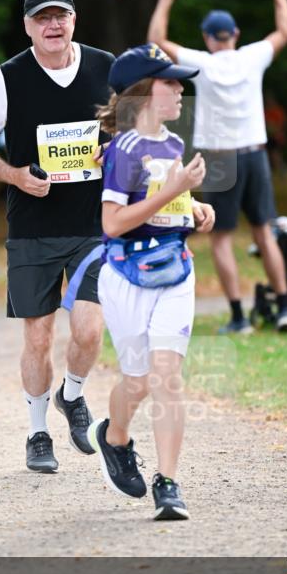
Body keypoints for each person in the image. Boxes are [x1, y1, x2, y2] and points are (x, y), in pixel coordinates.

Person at [0, 0, 113, 474]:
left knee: (90, 330)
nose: (53, 25)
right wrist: (14, 176)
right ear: (28, 26)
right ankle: (37, 432)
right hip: (32, 225)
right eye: (42, 18)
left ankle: (71, 395)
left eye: (62, 16)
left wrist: (113, 154)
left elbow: (131, 134)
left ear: (75, 20)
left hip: (94, 222)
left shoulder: (105, 68)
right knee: (37, 337)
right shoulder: (7, 77)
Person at [83, 44, 214, 520]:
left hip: (175, 271)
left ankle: (169, 483)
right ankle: (114, 436)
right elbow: (114, 223)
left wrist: (195, 207)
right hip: (126, 276)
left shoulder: (172, 144)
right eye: (170, 82)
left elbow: (173, 200)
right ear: (142, 93)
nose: (180, 90)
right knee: (136, 382)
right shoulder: (122, 151)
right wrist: (175, 192)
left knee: (166, 377)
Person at [147, 0, 287, 333]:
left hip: (220, 160)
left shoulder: (204, 63)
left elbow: (156, 41)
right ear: (236, 35)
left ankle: (239, 317)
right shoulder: (252, 58)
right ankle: (286, 309)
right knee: (264, 233)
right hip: (255, 154)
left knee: (222, 238)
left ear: (207, 38)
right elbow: (285, 32)